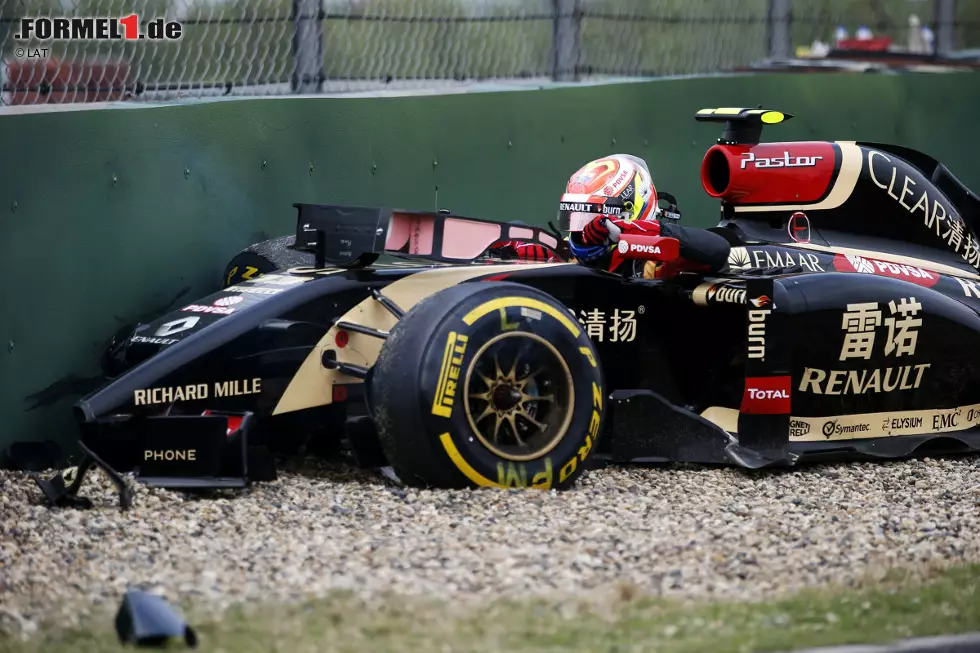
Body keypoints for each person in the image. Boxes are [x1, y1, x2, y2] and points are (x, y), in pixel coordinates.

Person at [557, 154, 731, 279]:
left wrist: (630, 232)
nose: (584, 230)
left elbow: (718, 250)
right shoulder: (564, 253)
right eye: (579, 216)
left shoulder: (654, 262)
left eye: (593, 217)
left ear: (629, 212)